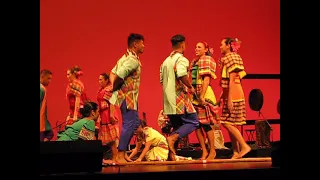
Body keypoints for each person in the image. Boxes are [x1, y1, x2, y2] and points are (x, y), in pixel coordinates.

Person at [160, 34, 200, 161]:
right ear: (183, 44)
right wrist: (190, 87)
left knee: (177, 127)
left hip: (168, 99)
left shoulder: (165, 61)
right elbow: (182, 74)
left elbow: (161, 80)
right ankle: (171, 139)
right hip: (179, 98)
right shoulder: (181, 59)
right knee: (193, 121)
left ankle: (171, 155)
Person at [108, 33, 145, 163]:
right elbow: (118, 76)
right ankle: (120, 153)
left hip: (131, 97)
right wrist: (114, 87)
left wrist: (113, 85)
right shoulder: (132, 60)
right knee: (129, 124)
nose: (143, 46)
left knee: (134, 123)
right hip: (128, 97)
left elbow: (112, 73)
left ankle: (122, 155)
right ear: (135, 44)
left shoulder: (124, 57)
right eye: (142, 43)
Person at [218, 37, 251, 159]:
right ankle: (236, 151)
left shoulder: (232, 57)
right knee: (231, 123)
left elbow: (232, 80)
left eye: (222, 44)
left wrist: (230, 98)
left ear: (228, 45)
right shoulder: (227, 58)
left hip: (235, 93)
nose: (220, 47)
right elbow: (226, 82)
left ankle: (244, 146)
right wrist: (221, 98)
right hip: (229, 93)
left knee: (227, 122)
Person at [190, 42, 219, 160]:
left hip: (204, 94)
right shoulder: (194, 62)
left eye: (199, 47)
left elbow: (206, 80)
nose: (196, 49)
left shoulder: (207, 60)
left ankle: (213, 150)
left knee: (206, 124)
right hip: (195, 97)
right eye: (195, 46)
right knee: (196, 125)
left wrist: (202, 96)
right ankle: (204, 151)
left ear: (206, 49)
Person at [97, 73, 120, 164]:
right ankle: (114, 156)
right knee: (109, 140)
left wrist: (111, 115)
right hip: (103, 115)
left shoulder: (109, 89)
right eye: (99, 80)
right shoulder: (101, 89)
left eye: (101, 79)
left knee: (112, 138)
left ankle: (116, 156)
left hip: (108, 114)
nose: (99, 81)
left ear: (106, 80)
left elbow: (112, 102)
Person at [40, 69, 54, 141]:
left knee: (50, 134)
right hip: (41, 124)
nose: (50, 81)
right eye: (48, 78)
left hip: (42, 123)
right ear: (42, 77)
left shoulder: (43, 89)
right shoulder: (41, 89)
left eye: (50, 79)